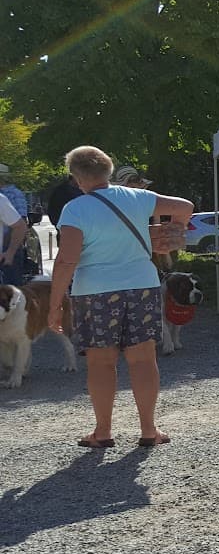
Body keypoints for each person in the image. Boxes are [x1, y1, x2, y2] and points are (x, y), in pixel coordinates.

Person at [48, 147, 194, 449]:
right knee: (143, 360)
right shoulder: (137, 198)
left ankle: (103, 432)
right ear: (109, 170)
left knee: (101, 363)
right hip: (142, 286)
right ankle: (149, 430)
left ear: (77, 178)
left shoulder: (75, 209)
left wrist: (55, 305)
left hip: (95, 291)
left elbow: (67, 259)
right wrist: (171, 234)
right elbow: (185, 206)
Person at [0, 164, 26, 284]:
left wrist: (10, 252)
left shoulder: (8, 196)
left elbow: (20, 223)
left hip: (6, 248)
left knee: (12, 285)